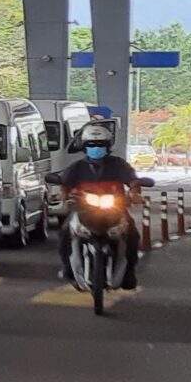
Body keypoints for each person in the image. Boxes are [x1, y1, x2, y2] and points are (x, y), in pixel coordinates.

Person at [54, 122, 141, 291]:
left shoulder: (118, 165)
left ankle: (129, 272)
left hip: (115, 209)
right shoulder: (77, 167)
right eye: (91, 145)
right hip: (83, 210)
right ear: (85, 147)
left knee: (132, 234)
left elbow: (132, 180)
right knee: (65, 232)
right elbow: (65, 184)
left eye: (100, 144)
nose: (96, 148)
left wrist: (135, 193)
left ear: (108, 146)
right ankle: (67, 269)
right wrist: (63, 194)